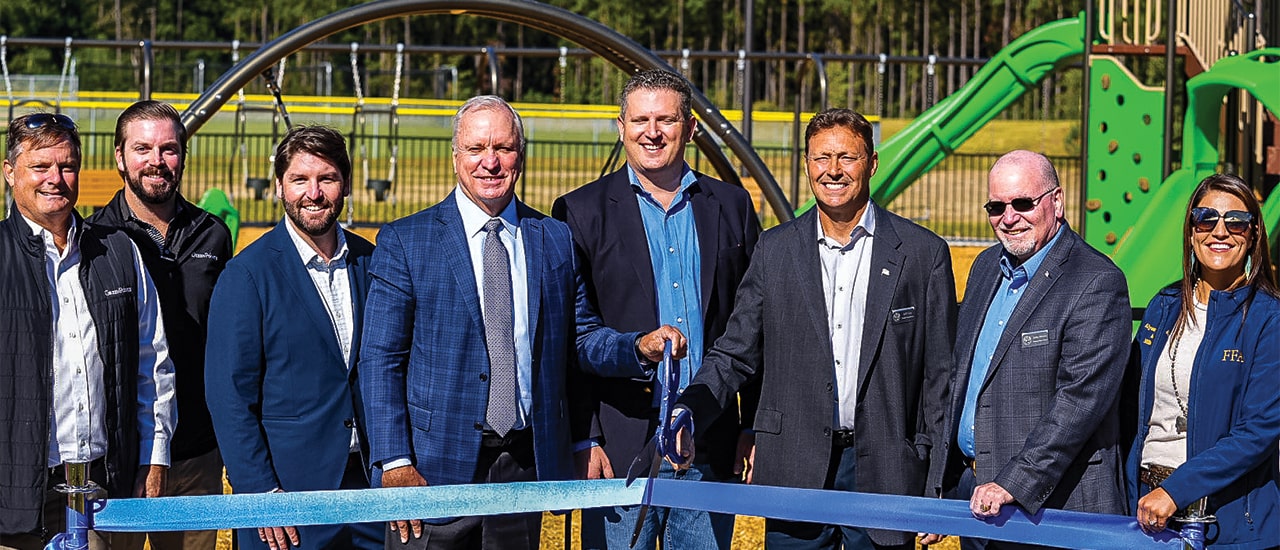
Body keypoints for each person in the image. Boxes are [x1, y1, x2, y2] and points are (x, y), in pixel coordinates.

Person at [359, 95, 682, 550]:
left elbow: (580, 339)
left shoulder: (553, 238)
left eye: (503, 148)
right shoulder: (406, 241)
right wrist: (394, 462)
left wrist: (637, 347)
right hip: (430, 473)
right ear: (455, 156)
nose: (490, 162)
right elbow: (380, 360)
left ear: (521, 156)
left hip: (523, 468)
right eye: (476, 149)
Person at [672, 108, 956, 549]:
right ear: (807, 164)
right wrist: (690, 409)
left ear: (872, 164)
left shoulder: (923, 254)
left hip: (887, 472)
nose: (833, 170)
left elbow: (941, 379)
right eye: (821, 157)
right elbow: (735, 353)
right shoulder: (774, 250)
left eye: (847, 157)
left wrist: (937, 483)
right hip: (795, 470)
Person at [550, 69, 761, 550]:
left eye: (666, 120)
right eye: (640, 120)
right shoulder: (580, 212)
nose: (652, 132)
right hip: (620, 450)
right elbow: (570, 339)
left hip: (709, 444)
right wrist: (585, 437)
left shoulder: (732, 206)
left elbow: (753, 329)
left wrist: (752, 426)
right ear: (620, 127)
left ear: (691, 129)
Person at [920, 150, 1129, 549]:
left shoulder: (1096, 282)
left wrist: (1013, 483)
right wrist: (943, 487)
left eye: (1022, 203)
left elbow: (1079, 404)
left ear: (1057, 201)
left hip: (1051, 510)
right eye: (996, 207)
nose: (1009, 217)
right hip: (978, 500)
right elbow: (961, 381)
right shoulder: (985, 267)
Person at [0, 112, 176, 550]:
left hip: (101, 488)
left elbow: (152, 364)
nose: (55, 179)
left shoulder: (118, 251)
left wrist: (155, 456)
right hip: (13, 495)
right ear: (10, 172)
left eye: (67, 166)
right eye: (40, 167)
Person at [205, 125, 383, 550]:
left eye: (327, 178)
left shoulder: (373, 262)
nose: (313, 193)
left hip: (370, 491)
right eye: (300, 179)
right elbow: (229, 396)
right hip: (286, 500)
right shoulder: (247, 275)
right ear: (279, 187)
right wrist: (259, 491)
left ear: (346, 184)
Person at [87, 100, 232, 550]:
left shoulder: (213, 234)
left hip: (196, 451)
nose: (157, 161)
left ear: (183, 155)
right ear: (119, 157)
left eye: (169, 149)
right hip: (120, 455)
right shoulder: (95, 239)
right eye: (142, 149)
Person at [1125, 173, 1278, 547]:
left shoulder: (1268, 318)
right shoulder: (1164, 306)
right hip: (1146, 509)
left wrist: (1176, 490)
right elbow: (1129, 407)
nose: (1219, 231)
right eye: (1206, 218)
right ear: (1191, 232)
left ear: (1254, 234)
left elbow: (1258, 431)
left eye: (1236, 222)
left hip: (1226, 520)